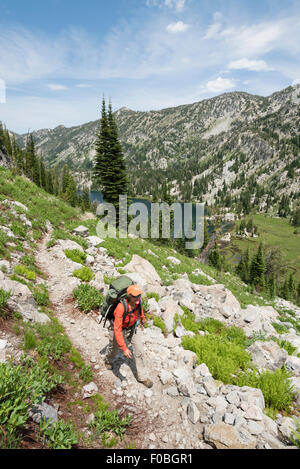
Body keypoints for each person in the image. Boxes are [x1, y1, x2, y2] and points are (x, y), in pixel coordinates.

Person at [104, 284, 153, 388]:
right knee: (114, 349)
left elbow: (140, 310)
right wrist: (124, 348)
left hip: (132, 327)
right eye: (135, 296)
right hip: (119, 329)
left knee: (139, 350)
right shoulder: (121, 307)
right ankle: (108, 360)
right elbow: (117, 330)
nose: (138, 298)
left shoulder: (138, 301)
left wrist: (142, 318)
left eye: (139, 295)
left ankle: (143, 377)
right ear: (129, 296)